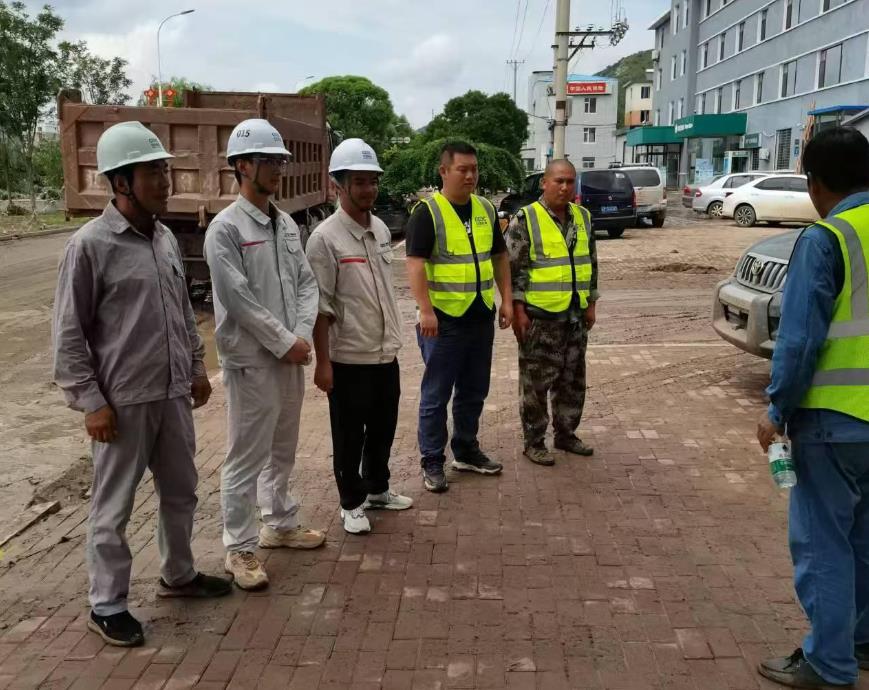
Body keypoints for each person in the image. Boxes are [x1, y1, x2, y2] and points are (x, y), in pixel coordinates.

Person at [52, 121, 232, 648]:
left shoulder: (165, 238)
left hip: (172, 393)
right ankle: (107, 604)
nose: (165, 182)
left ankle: (178, 574)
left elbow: (182, 311)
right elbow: (68, 335)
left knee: (181, 491)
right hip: (122, 402)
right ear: (120, 182)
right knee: (114, 506)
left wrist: (195, 367)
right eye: (152, 172)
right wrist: (90, 402)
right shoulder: (90, 246)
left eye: (164, 171)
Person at [756, 127, 869, 688]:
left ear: (815, 182)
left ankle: (829, 664)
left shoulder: (828, 238)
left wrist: (776, 409)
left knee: (825, 544)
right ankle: (861, 642)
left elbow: (799, 341)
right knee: (864, 541)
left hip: (833, 422)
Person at [204, 119, 324, 592]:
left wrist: (301, 335)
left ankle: (280, 523)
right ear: (241, 166)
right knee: (245, 455)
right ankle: (239, 546)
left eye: (279, 161)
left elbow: (306, 284)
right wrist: (284, 341)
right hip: (252, 361)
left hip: (289, 355)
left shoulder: (286, 223)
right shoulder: (225, 230)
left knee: (282, 447)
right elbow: (238, 300)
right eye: (268, 161)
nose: (277, 169)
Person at [306, 138, 413, 535]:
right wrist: (323, 363)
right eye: (360, 182)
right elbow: (320, 306)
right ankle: (351, 503)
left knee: (383, 428)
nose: (369, 189)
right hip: (348, 358)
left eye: (373, 181)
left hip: (384, 352)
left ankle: (377, 488)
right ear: (338, 185)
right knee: (350, 435)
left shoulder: (381, 229)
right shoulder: (325, 239)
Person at [405, 140, 513, 492]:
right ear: (444, 171)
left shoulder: (485, 208)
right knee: (436, 395)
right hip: (443, 321)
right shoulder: (428, 212)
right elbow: (415, 264)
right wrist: (425, 310)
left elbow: (499, 256)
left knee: (474, 390)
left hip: (480, 315)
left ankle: (466, 451)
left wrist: (507, 300)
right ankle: (432, 461)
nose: (470, 176)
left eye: (474, 169)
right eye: (462, 169)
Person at [506, 159, 598, 466]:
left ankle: (566, 434)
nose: (565, 187)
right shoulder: (526, 218)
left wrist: (591, 303)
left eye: (570, 181)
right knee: (535, 384)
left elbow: (591, 263)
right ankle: (534, 442)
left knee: (572, 380)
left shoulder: (583, 217)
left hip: (575, 315)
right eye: (559, 181)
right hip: (540, 318)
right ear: (544, 183)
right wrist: (518, 310)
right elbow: (514, 270)